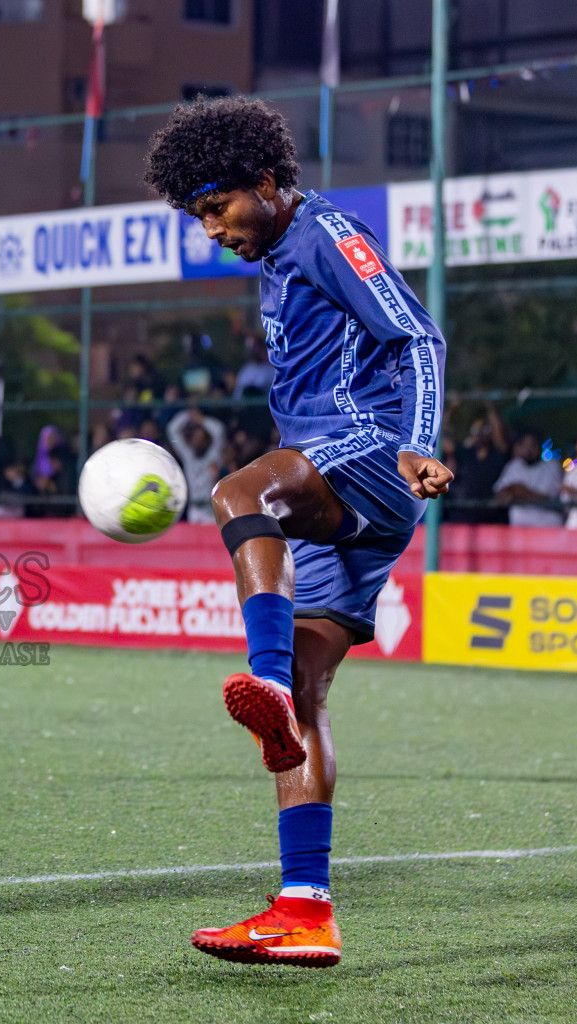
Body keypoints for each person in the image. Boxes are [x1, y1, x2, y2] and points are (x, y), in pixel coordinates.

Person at [144, 96, 450, 968]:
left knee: (241, 492)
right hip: (342, 493)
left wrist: (417, 445)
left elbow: (417, 337)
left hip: (366, 453)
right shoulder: (279, 253)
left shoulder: (323, 232)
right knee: (312, 702)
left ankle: (264, 678)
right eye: (198, 216)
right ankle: (305, 909)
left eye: (215, 208)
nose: (211, 230)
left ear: (266, 182)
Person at [167, 406, 227, 524]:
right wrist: (188, 414)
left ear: (206, 439)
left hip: (211, 510)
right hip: (194, 509)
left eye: (201, 437)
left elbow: (219, 431)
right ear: (191, 439)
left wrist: (202, 420)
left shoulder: (214, 456)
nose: (198, 440)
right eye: (195, 437)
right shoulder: (188, 456)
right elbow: (172, 429)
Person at [493, 433, 563, 527]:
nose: (529, 449)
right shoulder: (514, 465)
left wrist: (518, 491)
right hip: (519, 527)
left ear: (539, 447)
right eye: (525, 445)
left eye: (533, 445)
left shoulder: (552, 466)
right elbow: (500, 493)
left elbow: (545, 498)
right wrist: (515, 491)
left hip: (547, 527)